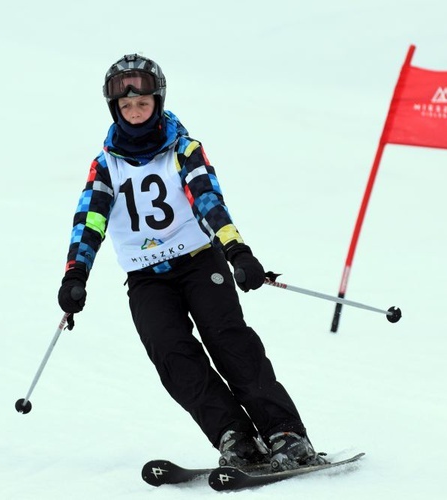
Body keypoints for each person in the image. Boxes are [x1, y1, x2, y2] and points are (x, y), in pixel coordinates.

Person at [57, 53, 324, 471]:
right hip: (146, 278)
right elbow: (89, 221)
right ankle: (235, 437)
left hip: (199, 262)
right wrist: (76, 275)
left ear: (157, 102)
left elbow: (207, 200)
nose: (134, 112)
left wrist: (237, 250)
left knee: (229, 341)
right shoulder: (105, 165)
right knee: (172, 355)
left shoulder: (184, 149)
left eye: (142, 104)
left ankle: (285, 434)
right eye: (126, 106)